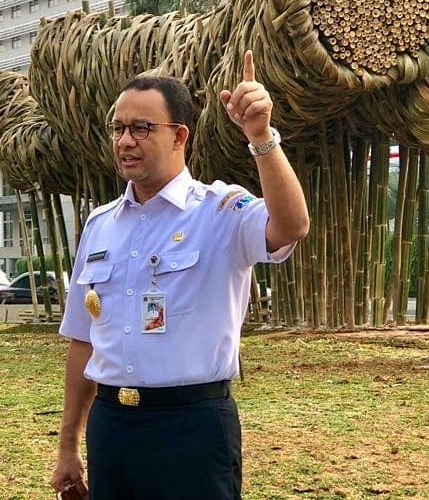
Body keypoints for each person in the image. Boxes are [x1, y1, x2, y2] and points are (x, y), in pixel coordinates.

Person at [51, 50, 310, 500]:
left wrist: (261, 137)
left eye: (142, 128)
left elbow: (291, 226)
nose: (125, 141)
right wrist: (68, 445)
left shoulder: (220, 211)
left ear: (179, 136)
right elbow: (83, 342)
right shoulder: (100, 225)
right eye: (118, 128)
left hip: (192, 428)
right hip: (112, 427)